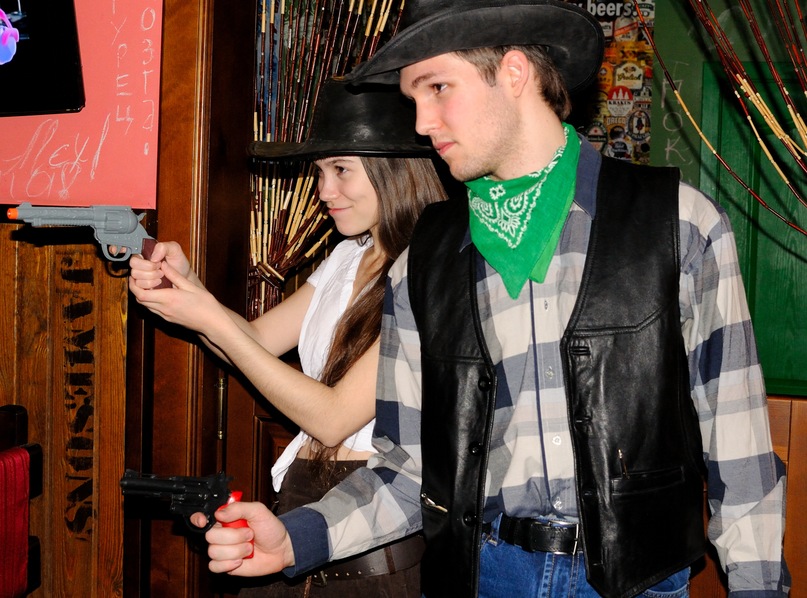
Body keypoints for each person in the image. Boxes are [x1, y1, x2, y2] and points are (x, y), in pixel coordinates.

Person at [195, 2, 790, 597]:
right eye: (413, 99)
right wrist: (296, 538)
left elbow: (739, 449)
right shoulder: (423, 262)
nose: (421, 122)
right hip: (482, 576)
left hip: (641, 580)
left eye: (437, 88)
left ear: (513, 72)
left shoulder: (677, 224)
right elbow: (408, 473)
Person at [129, 77, 448, 597]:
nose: (324, 191)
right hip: (300, 501)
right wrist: (187, 288)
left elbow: (333, 418)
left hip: (370, 541)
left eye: (341, 170)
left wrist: (208, 316)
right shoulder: (347, 256)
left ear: (394, 170)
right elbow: (254, 340)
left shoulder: (429, 270)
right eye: (320, 172)